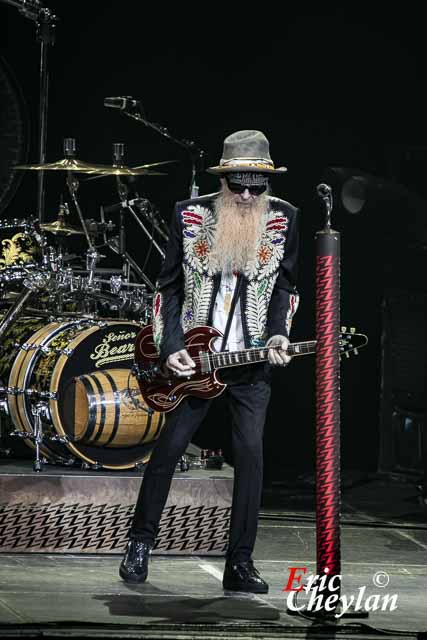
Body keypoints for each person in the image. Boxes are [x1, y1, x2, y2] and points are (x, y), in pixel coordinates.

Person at [119, 130, 300, 593]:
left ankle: (240, 564)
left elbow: (285, 287)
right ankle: (139, 544)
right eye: (237, 184)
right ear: (223, 180)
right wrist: (171, 345)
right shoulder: (191, 216)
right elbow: (169, 287)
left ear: (266, 185)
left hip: (250, 362)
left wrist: (280, 331)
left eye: (255, 187)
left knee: (252, 458)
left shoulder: (285, 218)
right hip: (194, 361)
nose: (245, 195)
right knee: (168, 452)